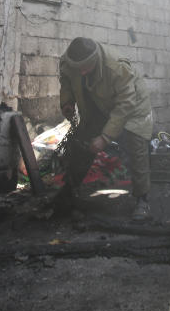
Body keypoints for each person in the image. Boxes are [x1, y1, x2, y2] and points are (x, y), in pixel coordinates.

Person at [56, 37, 153, 220]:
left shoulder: (117, 68)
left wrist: (105, 137)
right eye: (79, 69)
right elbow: (66, 79)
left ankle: (142, 199)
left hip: (133, 106)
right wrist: (67, 101)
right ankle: (69, 191)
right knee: (82, 142)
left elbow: (126, 104)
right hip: (101, 102)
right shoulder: (70, 62)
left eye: (87, 67)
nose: (83, 72)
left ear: (96, 60)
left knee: (136, 147)